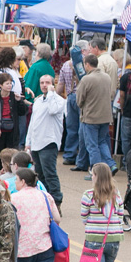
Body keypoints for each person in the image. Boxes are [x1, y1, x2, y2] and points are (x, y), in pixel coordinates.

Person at [80, 162, 125, 262]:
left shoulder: (88, 195)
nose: (91, 177)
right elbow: (120, 215)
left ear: (96, 176)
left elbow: (84, 217)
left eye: (92, 174)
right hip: (114, 238)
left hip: (95, 239)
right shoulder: (116, 194)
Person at [25, 74, 66, 207]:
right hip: (36, 143)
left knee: (50, 174)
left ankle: (56, 201)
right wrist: (28, 143)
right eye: (42, 82)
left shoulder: (59, 100)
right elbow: (33, 123)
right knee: (40, 174)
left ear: (52, 83)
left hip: (49, 142)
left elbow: (53, 110)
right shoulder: (37, 101)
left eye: (47, 82)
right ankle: (44, 199)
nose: (44, 85)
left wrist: (51, 94)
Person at [77, 53, 117, 173]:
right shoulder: (106, 77)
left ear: (87, 64)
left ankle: (96, 171)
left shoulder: (86, 79)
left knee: (92, 145)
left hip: (91, 117)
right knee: (102, 142)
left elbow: (79, 100)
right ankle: (111, 164)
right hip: (105, 116)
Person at [59, 39, 88, 168]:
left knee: (71, 128)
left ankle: (69, 155)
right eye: (87, 50)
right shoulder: (84, 64)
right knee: (82, 128)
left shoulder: (66, 65)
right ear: (83, 50)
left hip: (70, 97)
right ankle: (80, 157)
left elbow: (60, 85)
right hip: (82, 98)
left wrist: (58, 95)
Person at [0, 71, 27, 166]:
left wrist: (19, 101)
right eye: (7, 83)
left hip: (12, 130)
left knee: (11, 153)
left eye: (11, 83)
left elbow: (23, 112)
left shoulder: (14, 96)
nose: (9, 85)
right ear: (0, 85)